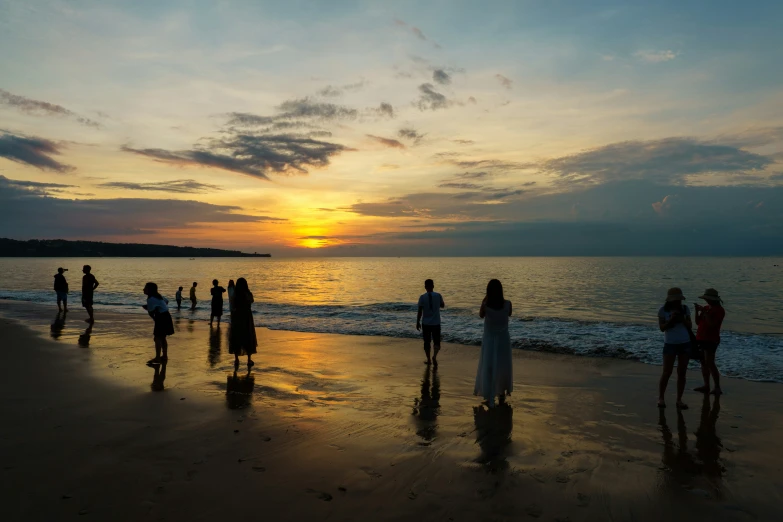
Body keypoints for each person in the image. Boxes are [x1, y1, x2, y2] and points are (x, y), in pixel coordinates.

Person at [474, 279, 513, 407]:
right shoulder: (507, 304)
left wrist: (485, 299)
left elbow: (480, 315)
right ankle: (502, 392)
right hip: (503, 341)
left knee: (489, 367)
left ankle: (489, 393)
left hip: (490, 340)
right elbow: (509, 314)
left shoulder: (486, 306)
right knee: (502, 366)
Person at [657, 287, 692, 410]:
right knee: (667, 372)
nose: (678, 302)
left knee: (682, 373)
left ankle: (679, 400)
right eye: (675, 300)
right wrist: (671, 320)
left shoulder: (685, 309)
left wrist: (681, 318)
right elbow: (662, 328)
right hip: (670, 344)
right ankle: (661, 398)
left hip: (685, 343)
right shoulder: (663, 310)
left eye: (679, 300)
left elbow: (690, 325)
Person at [694, 288, 726, 396]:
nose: (706, 301)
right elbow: (698, 322)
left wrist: (704, 312)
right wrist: (697, 311)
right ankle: (706, 385)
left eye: (708, 299)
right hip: (701, 338)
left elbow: (713, 324)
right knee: (703, 362)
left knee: (710, 362)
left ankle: (717, 387)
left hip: (711, 339)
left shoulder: (719, 310)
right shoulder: (707, 308)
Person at [142, 282, 175, 365]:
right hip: (167, 316)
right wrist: (156, 307)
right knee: (162, 337)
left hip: (161, 318)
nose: (143, 289)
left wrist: (149, 308)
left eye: (145, 288)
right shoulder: (158, 296)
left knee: (157, 338)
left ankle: (157, 358)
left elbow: (150, 313)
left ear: (150, 290)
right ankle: (164, 356)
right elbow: (166, 302)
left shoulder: (150, 299)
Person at [416, 279, 445, 366]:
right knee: (436, 341)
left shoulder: (422, 297)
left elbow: (420, 311)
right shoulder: (438, 295)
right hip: (436, 322)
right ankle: (434, 356)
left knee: (427, 342)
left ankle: (428, 359)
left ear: (425, 287)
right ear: (433, 286)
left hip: (426, 323)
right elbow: (442, 305)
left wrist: (417, 322)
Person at [229, 277, 257, 368]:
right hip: (246, 317)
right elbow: (252, 301)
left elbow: (232, 304)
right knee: (248, 337)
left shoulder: (235, 294)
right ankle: (249, 360)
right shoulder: (247, 293)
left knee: (236, 337)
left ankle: (236, 359)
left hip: (237, 317)